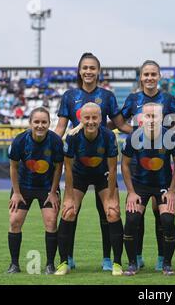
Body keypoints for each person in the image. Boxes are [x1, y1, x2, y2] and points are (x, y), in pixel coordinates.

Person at [55, 52, 130, 271]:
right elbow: (60, 128)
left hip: (101, 166)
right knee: (71, 211)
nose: (88, 71)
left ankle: (109, 259)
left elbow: (119, 124)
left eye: (92, 68)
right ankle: (66, 258)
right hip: (77, 164)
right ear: (80, 71)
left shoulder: (107, 96)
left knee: (107, 212)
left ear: (98, 71)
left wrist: (140, 132)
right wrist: (50, 144)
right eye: (85, 68)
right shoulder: (69, 96)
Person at [120, 60, 175, 271]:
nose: (149, 78)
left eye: (153, 74)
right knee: (135, 217)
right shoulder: (133, 99)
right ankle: (135, 258)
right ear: (141, 77)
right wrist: (132, 133)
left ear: (159, 76)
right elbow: (119, 121)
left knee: (162, 216)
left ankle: (164, 259)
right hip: (139, 166)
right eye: (146, 74)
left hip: (161, 167)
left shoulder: (169, 99)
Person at [54, 103, 123, 276]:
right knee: (68, 212)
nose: (91, 121)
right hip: (79, 175)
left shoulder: (108, 136)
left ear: (101, 119)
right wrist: (69, 196)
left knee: (113, 212)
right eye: (87, 118)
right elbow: (67, 169)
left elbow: (113, 168)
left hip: (103, 175)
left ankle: (117, 263)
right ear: (81, 119)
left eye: (95, 118)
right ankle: (63, 262)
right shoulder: (72, 137)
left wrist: (113, 196)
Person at [7, 107, 63, 274]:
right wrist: (16, 193)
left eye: (43, 122)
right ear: (30, 123)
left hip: (46, 188)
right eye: (36, 122)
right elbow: (13, 167)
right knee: (14, 222)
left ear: (49, 123)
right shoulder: (20, 140)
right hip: (23, 187)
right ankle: (14, 265)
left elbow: (58, 168)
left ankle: (50, 265)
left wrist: (53, 192)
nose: (40, 125)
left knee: (51, 222)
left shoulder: (55, 141)